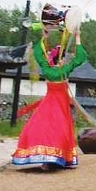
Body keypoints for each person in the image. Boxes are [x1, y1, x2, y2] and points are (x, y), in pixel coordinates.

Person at [12, 16, 87, 170]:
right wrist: (78, 38)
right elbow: (80, 57)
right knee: (58, 129)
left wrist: (44, 36)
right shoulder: (64, 69)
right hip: (57, 104)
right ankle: (58, 157)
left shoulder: (46, 68)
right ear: (60, 59)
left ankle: (51, 157)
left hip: (51, 103)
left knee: (41, 127)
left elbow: (39, 52)